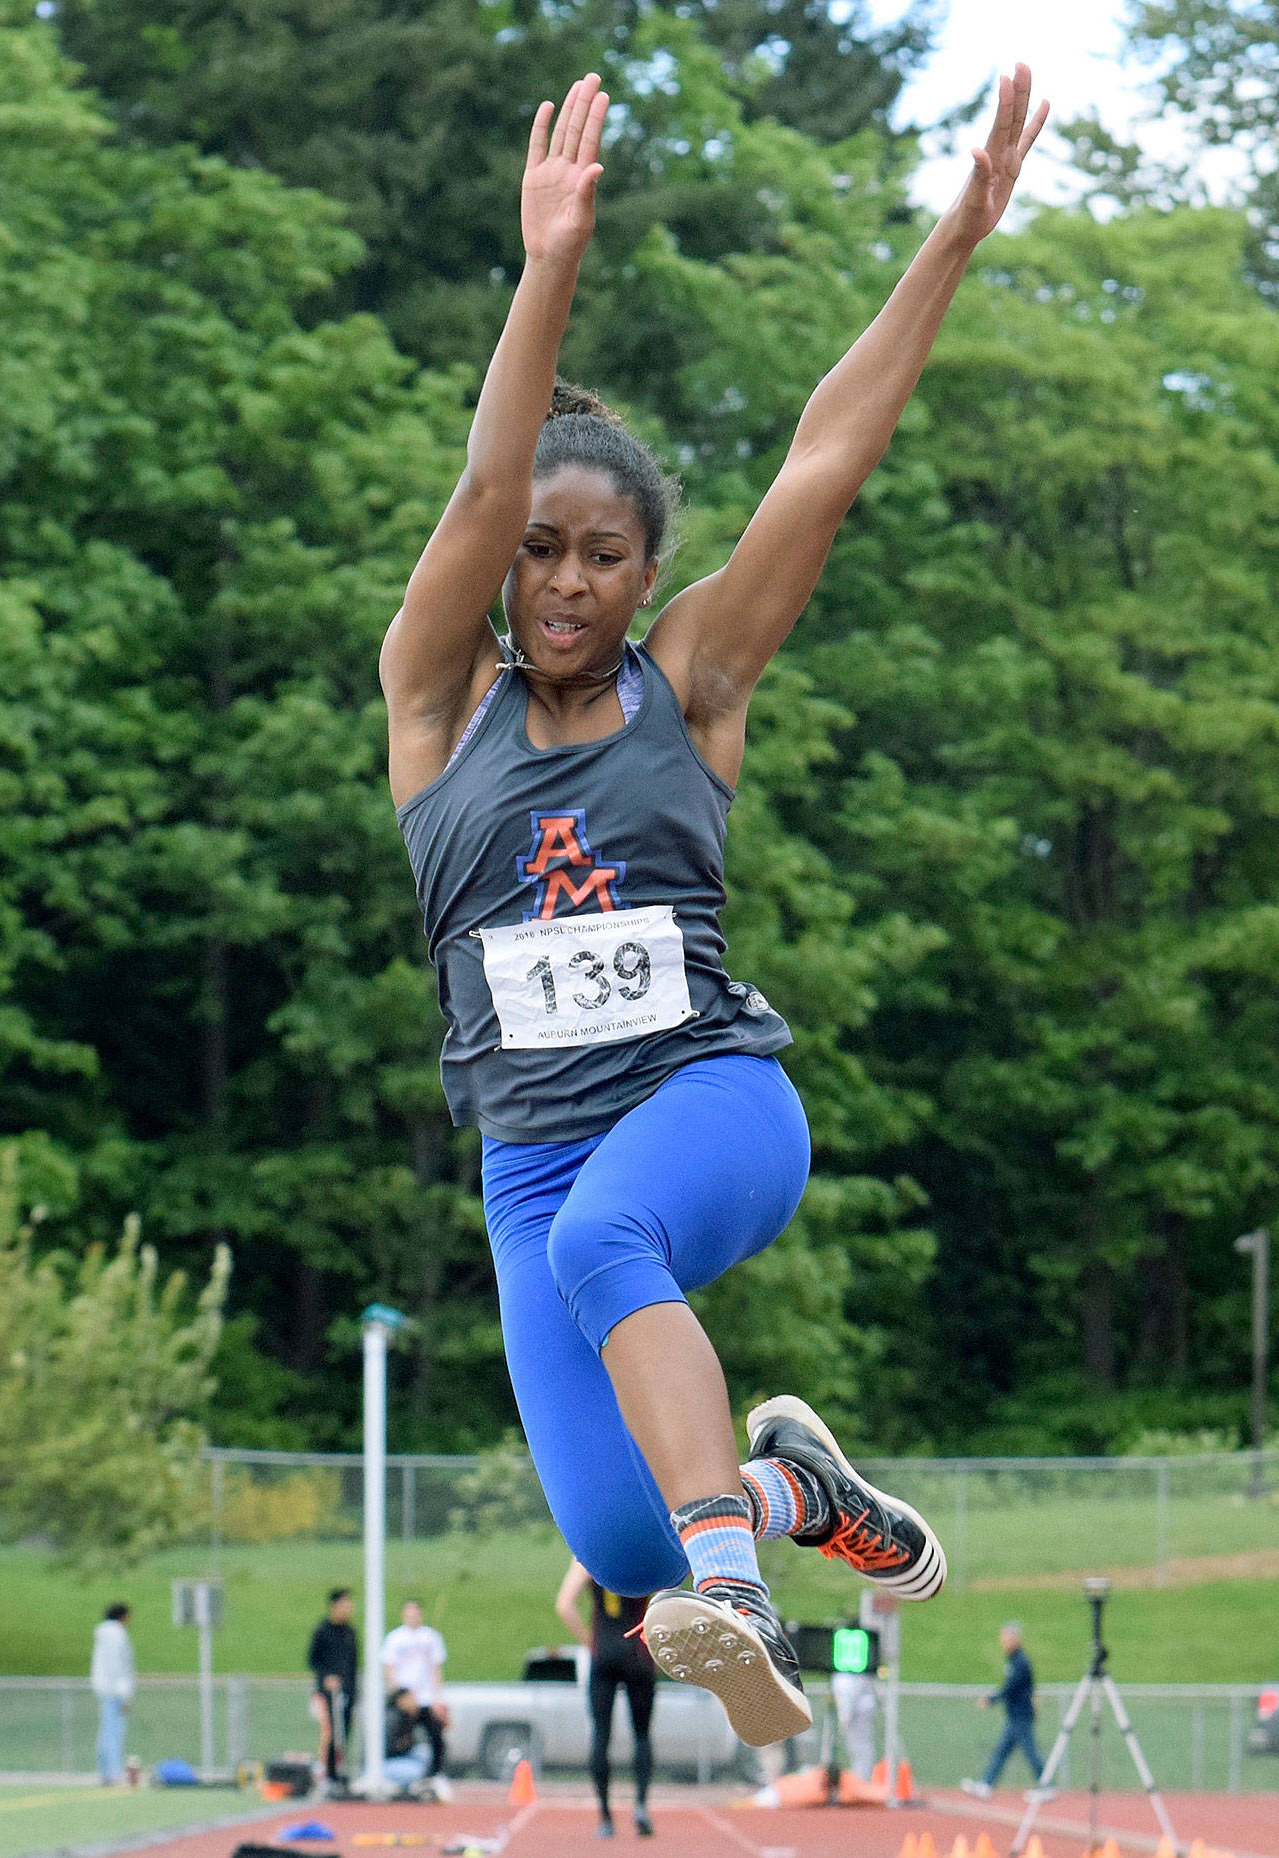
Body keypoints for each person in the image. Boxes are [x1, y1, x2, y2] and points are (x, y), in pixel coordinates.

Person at [381, 66, 1046, 1748]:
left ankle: (737, 1584)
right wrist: (549, 269)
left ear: (643, 570)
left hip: (709, 1101)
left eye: (604, 554)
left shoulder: (692, 686)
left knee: (627, 1257)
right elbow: (475, 491)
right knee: (617, 1540)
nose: (566, 582)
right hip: (528, 1162)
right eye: (540, 551)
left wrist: (953, 242)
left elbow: (824, 460)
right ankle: (792, 1489)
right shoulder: (427, 707)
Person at [557, 1555, 657, 1838]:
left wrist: (590, 1642)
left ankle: (605, 1818)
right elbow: (667, 1598)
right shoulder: (645, 1553)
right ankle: (640, 1807)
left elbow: (564, 1605)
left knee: (601, 1734)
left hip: (605, 1652)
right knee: (642, 1734)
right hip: (638, 1651)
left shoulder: (588, 1556)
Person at [962, 1621, 1053, 1800]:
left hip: (1022, 1715)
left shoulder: (1020, 1661)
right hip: (1014, 1715)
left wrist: (990, 1700)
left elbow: (1011, 1687)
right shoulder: (1013, 1660)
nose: (1003, 1641)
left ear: (1015, 1638)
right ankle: (986, 1784)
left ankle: (1046, 1786)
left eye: (1006, 1637)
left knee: (1030, 1751)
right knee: (1002, 1750)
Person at [381, 1598, 452, 1798]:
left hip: (425, 1698)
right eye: (408, 1612)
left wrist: (438, 1697)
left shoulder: (431, 1637)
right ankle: (399, 1777)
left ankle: (435, 1775)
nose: (412, 1616)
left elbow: (436, 1668)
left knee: (436, 1736)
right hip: (405, 1701)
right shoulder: (395, 1638)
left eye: (415, 1612)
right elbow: (389, 1667)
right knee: (402, 1738)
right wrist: (398, 1695)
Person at [307, 1588, 358, 1787]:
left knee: (343, 1733)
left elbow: (353, 1664)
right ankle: (326, 1773)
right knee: (329, 1731)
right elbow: (313, 1659)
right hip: (327, 1693)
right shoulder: (322, 1630)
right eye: (345, 1604)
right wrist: (325, 1679)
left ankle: (338, 1772)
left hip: (347, 1692)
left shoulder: (350, 1632)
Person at [90, 1602, 135, 1785]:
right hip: (115, 1689)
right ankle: (113, 1772)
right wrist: (124, 1692)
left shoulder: (102, 1634)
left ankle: (105, 1771)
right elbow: (119, 1665)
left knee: (106, 1732)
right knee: (114, 1733)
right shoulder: (117, 1635)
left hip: (104, 1687)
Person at [382, 1687, 434, 1797]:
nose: (414, 1702)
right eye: (411, 1699)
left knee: (424, 1752)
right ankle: (398, 1785)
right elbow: (388, 1749)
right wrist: (403, 1746)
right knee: (415, 1771)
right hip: (385, 1763)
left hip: (398, 1757)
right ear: (400, 1700)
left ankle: (419, 1782)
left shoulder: (406, 1716)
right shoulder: (392, 1718)